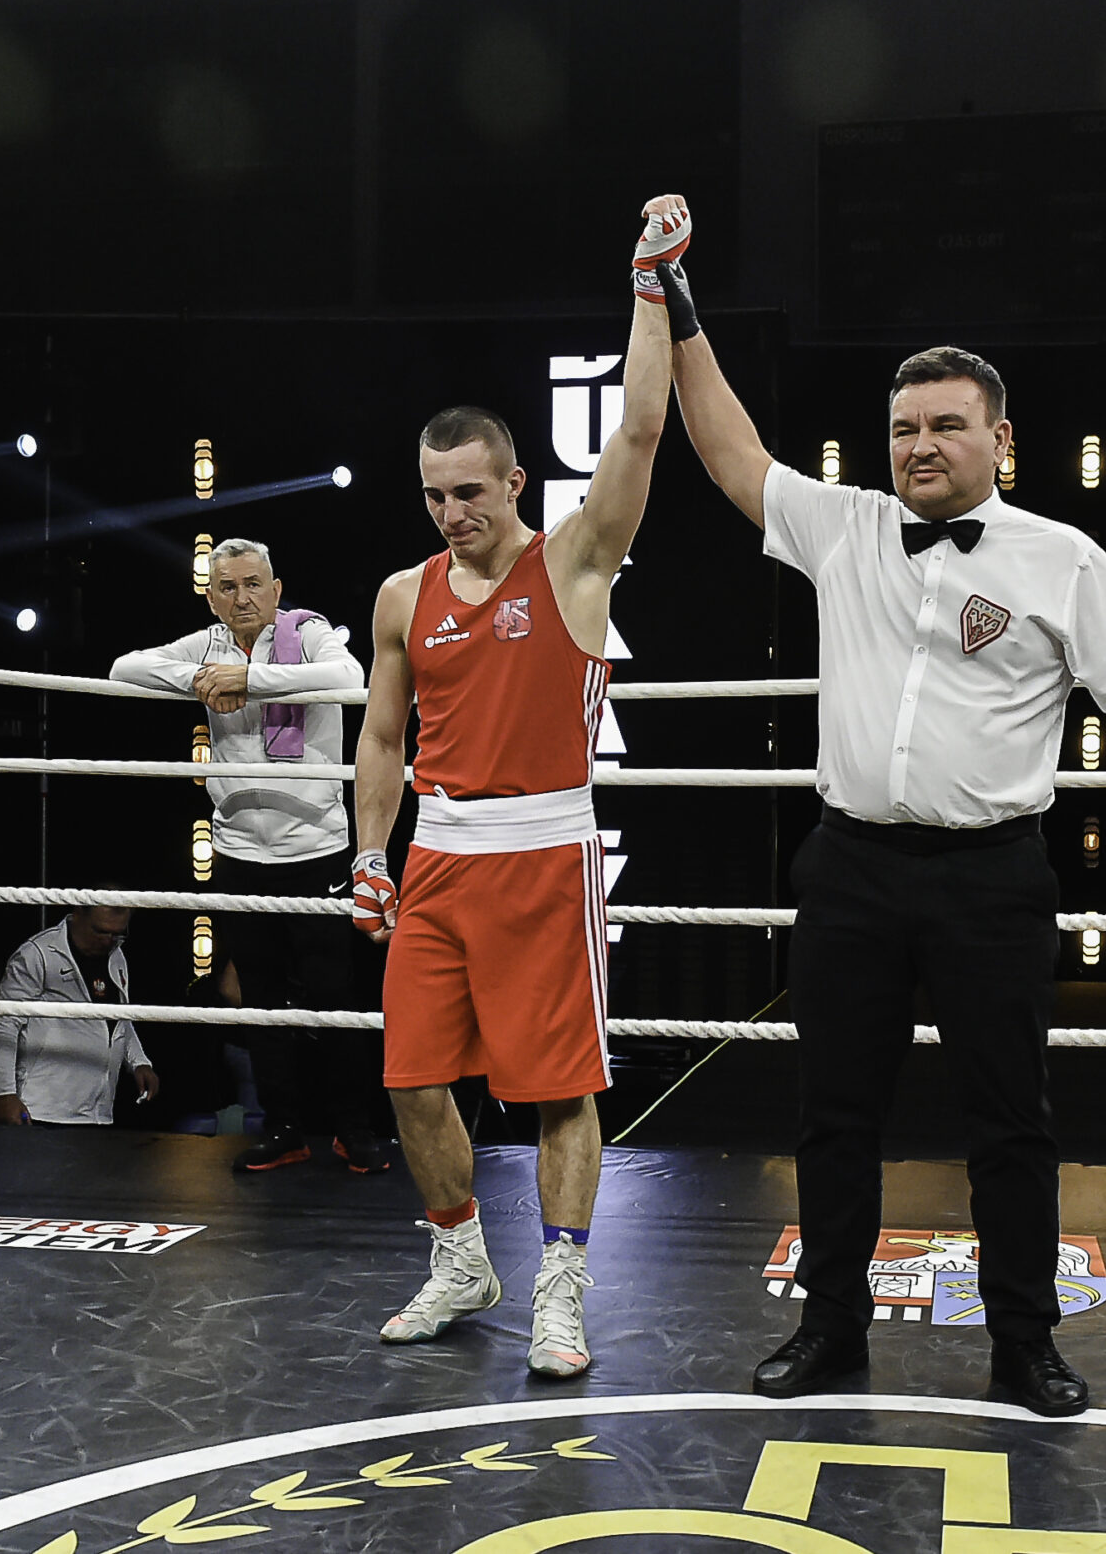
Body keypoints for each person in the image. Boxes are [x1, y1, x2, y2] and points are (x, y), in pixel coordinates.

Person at [660, 219, 1106, 1419]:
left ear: (1000, 440)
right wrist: (680, 308)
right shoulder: (846, 526)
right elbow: (725, 448)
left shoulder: (1061, 558)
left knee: (1011, 1122)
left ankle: (1025, 1341)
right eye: (904, 427)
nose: (920, 445)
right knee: (832, 1115)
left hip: (991, 876)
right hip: (850, 866)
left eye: (946, 424)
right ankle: (828, 1328)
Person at [347, 197, 681, 1379]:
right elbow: (381, 736)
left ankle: (561, 1288)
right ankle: (459, 1261)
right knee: (410, 1079)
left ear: (514, 481)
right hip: (437, 858)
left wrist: (649, 286)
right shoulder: (403, 595)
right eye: (434, 496)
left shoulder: (574, 560)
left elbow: (639, 431)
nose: (452, 515)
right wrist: (369, 853)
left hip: (546, 854)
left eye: (470, 494)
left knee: (556, 1089)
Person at [109, 540, 388, 1173]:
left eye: (254, 584)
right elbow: (124, 669)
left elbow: (350, 678)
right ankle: (284, 1129)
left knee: (334, 998)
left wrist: (251, 680)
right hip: (237, 850)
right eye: (229, 587)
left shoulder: (307, 632)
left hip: (315, 848)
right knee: (259, 999)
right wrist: (202, 680)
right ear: (212, 597)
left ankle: (353, 1128)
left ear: (276, 588)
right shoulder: (207, 645)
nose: (243, 598)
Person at [0, 900, 158, 1126]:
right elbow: (5, 1025)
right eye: (101, 931)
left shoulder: (116, 955)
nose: (108, 940)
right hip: (42, 1110)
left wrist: (139, 1062)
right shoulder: (38, 953)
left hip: (98, 1113)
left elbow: (118, 1019)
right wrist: (4, 1094)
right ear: (78, 914)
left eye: (117, 934)